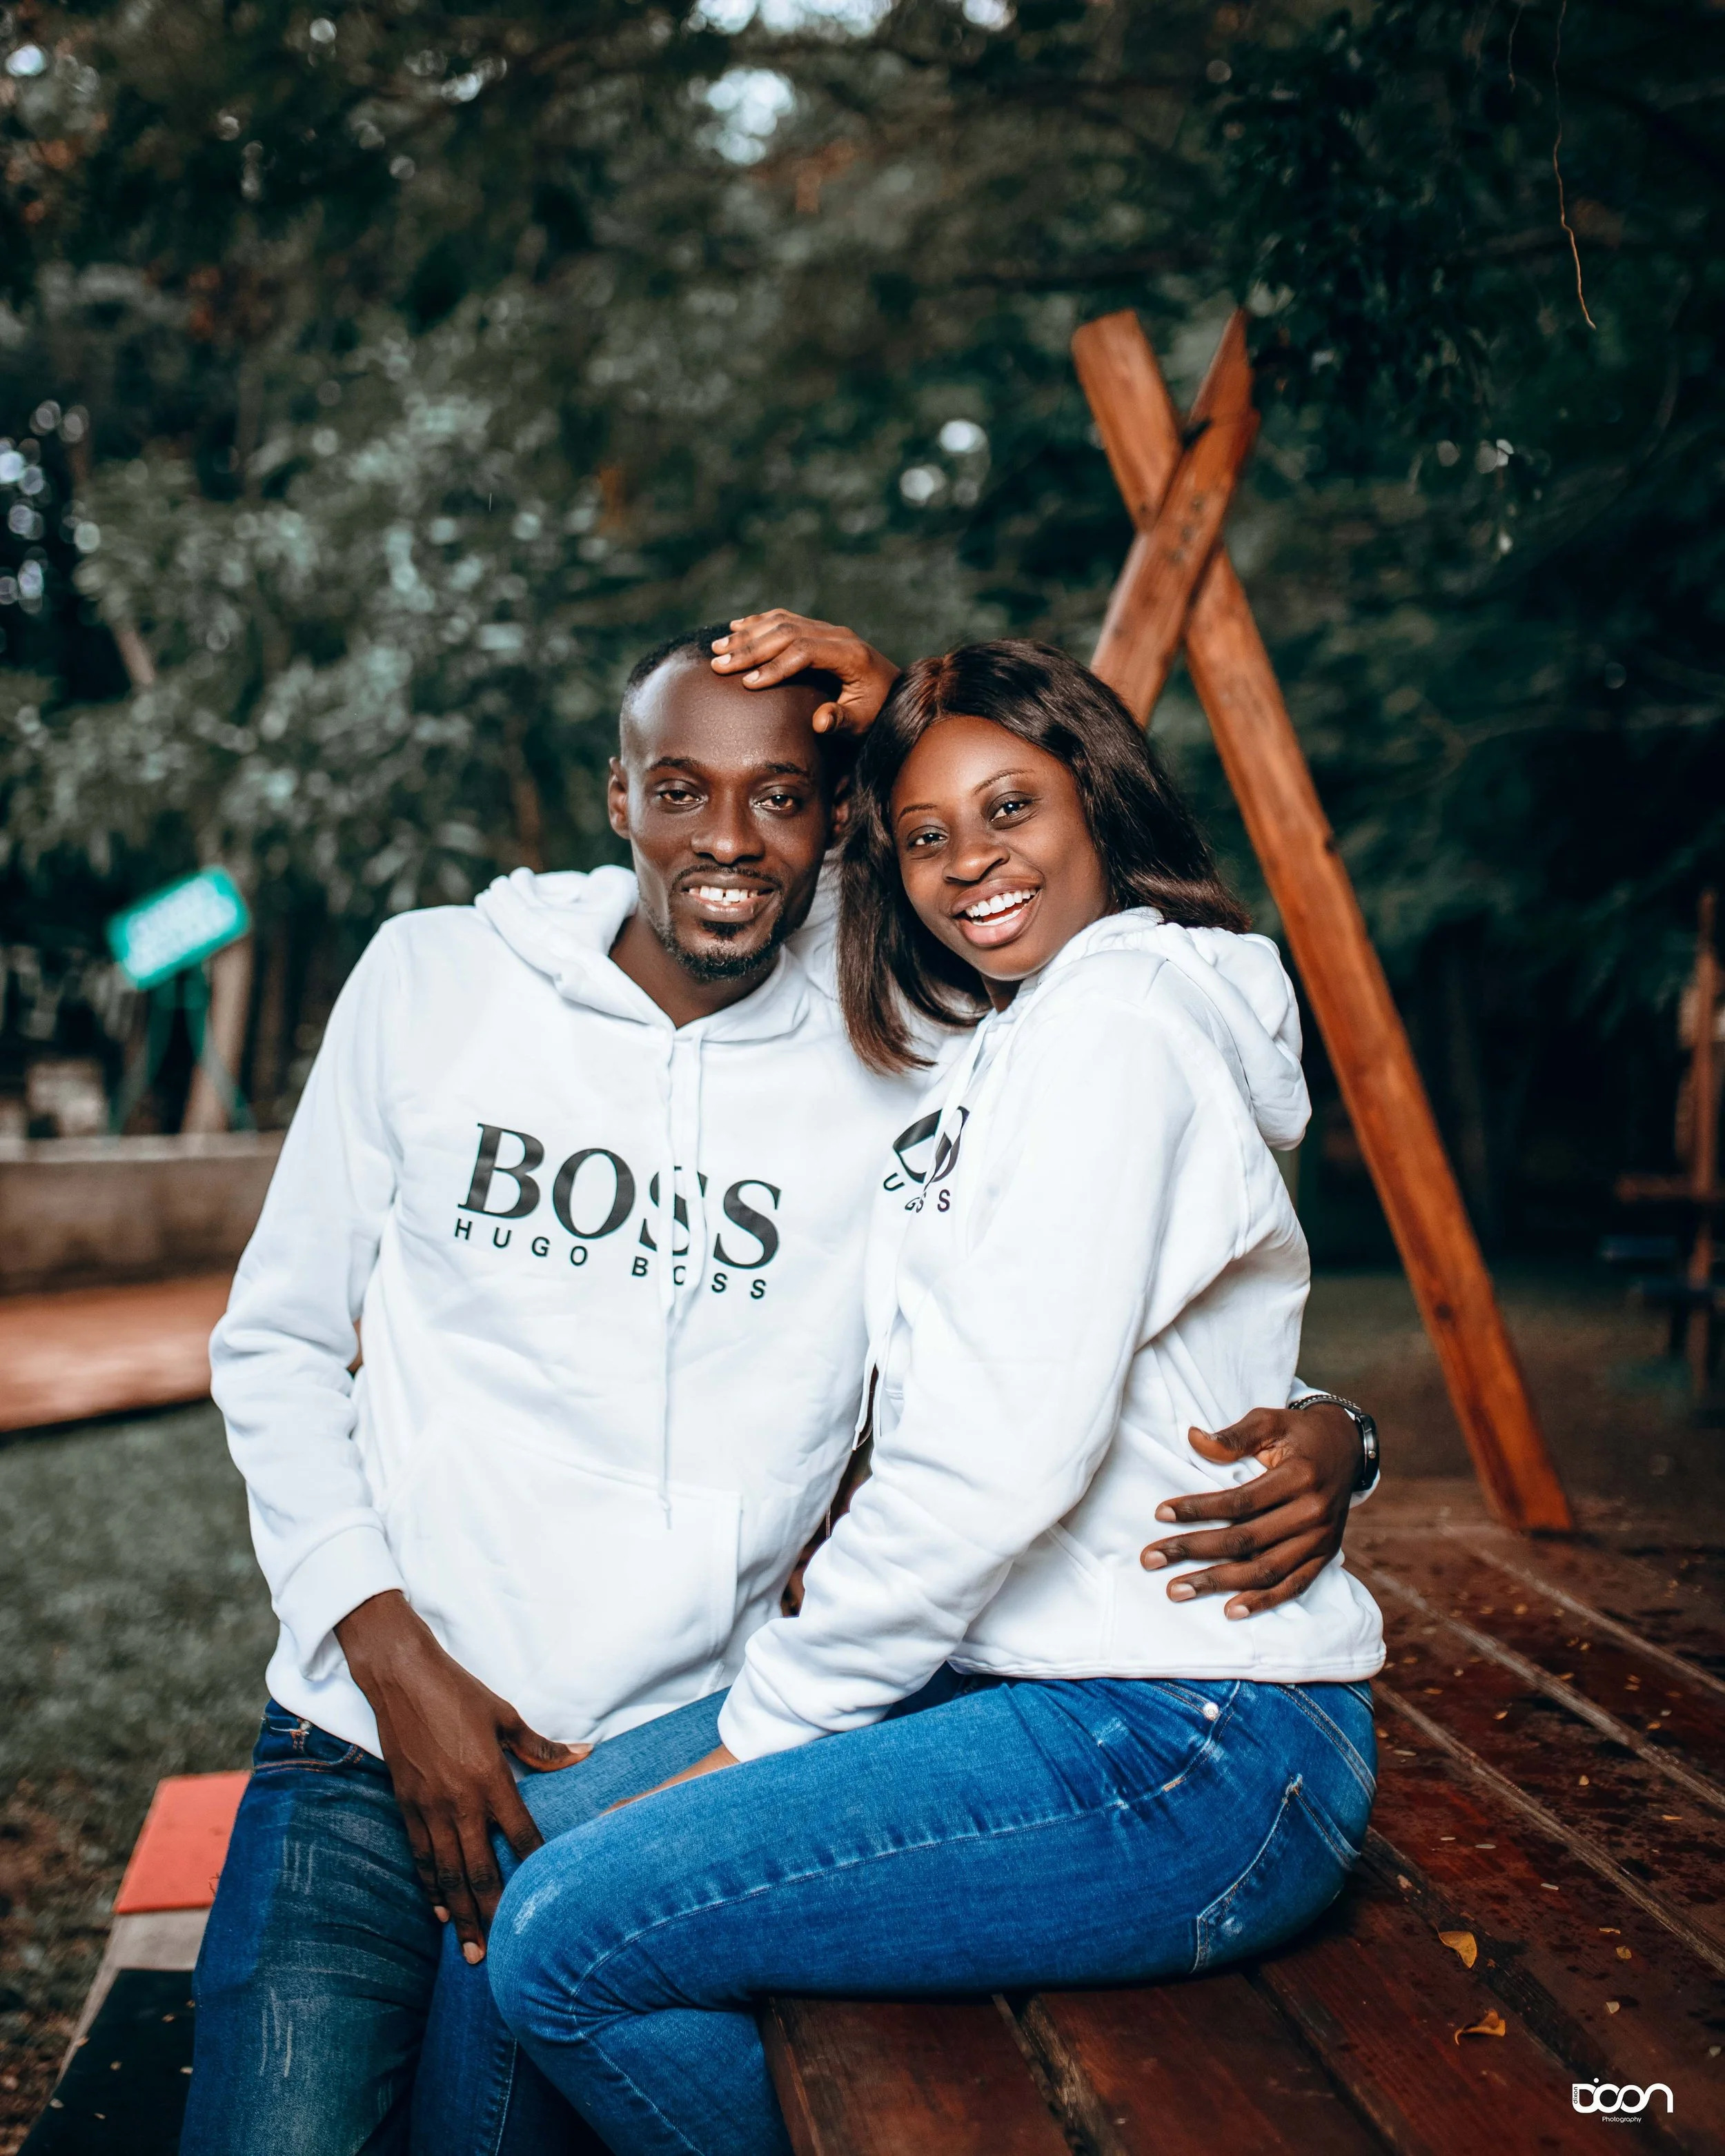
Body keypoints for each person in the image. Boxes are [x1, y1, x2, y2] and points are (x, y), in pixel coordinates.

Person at [181, 616, 1377, 2156]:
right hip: (368, 1718)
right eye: (679, 789)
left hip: (681, 1717)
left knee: (552, 1958)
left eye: (786, 796)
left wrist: (1331, 1426)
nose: (730, 839)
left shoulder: (924, 1035)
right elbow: (274, 1342)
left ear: (832, 822)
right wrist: (387, 1652)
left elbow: (1088, 1306)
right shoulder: (434, 978)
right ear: (618, 797)